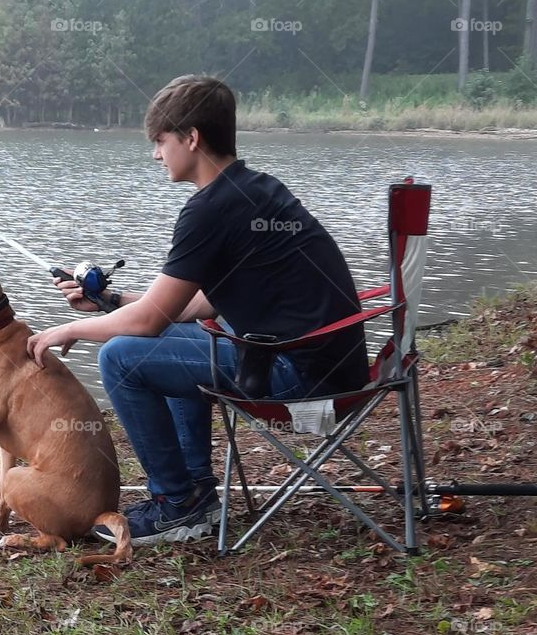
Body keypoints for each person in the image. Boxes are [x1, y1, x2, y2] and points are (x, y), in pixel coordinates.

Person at [26, 75, 369, 546]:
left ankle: (177, 503)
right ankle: (195, 493)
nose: (155, 154)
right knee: (161, 341)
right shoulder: (255, 189)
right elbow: (200, 301)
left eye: (160, 141)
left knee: (121, 358)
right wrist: (109, 302)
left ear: (191, 137)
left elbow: (152, 320)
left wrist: (71, 328)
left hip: (304, 380)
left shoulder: (211, 209)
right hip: (330, 367)